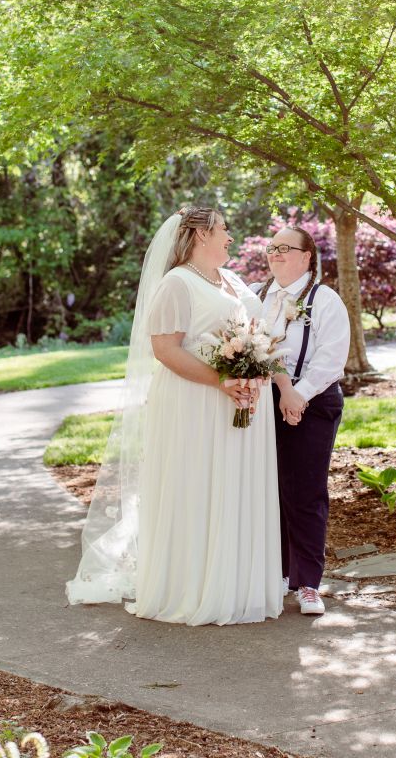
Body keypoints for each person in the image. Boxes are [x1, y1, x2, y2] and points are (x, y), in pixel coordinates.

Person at [66, 205, 283, 626]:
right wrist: (222, 381)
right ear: (201, 234)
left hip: (241, 404)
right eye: (224, 228)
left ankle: (240, 585)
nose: (230, 236)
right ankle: (194, 588)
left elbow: (255, 333)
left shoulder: (232, 280)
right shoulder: (177, 284)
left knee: (235, 487)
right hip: (196, 405)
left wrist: (254, 373)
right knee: (200, 486)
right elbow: (165, 350)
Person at [257, 225, 350, 616]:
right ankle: (282, 574)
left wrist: (298, 395)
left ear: (306, 256)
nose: (275, 254)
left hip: (314, 400)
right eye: (271, 248)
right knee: (272, 490)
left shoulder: (324, 299)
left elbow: (331, 358)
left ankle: (309, 583)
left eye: (284, 248)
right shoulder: (262, 296)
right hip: (268, 402)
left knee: (306, 492)